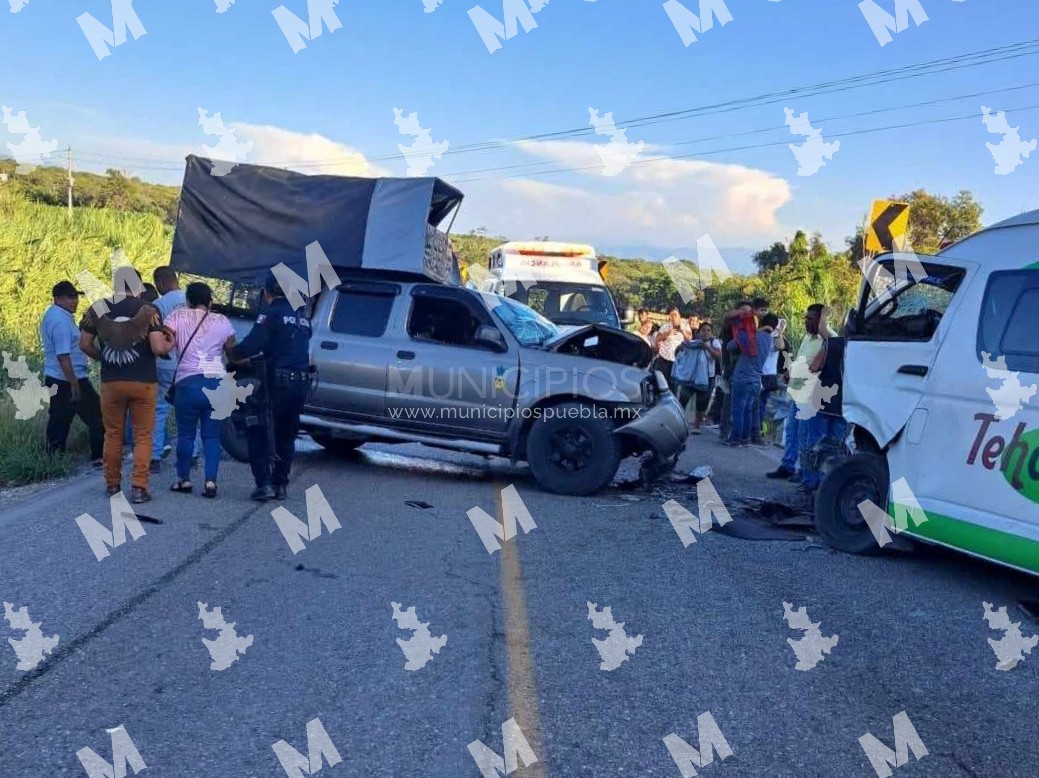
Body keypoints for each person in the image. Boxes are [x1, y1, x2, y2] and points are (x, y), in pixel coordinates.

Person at [79, 267, 173, 503]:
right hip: (144, 382)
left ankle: (112, 485)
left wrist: (104, 357)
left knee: (113, 434)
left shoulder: (98, 307)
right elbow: (157, 348)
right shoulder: (148, 310)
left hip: (112, 381)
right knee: (142, 435)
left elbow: (84, 343)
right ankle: (139, 488)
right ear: (139, 286)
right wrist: (170, 342)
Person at [231, 272, 313, 502]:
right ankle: (280, 485)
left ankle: (264, 485)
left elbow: (251, 345)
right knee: (286, 434)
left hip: (277, 384)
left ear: (267, 293)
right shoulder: (301, 316)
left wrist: (232, 353)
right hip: (300, 384)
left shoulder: (272, 314)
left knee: (258, 428)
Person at [164, 282, 236, 499]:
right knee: (211, 436)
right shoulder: (222, 321)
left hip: (187, 384)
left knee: (186, 435)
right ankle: (211, 482)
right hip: (215, 385)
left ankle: (184, 480)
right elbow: (232, 349)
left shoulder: (177, 317)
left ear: (188, 300)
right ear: (210, 301)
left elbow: (165, 343)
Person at [766, 303, 835, 480]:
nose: (806, 322)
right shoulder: (808, 337)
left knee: (807, 436)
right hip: (797, 392)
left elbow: (819, 367)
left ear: (821, 320)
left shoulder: (830, 339)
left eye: (810, 319)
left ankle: (805, 472)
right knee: (792, 431)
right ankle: (788, 465)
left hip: (811, 395)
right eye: (805, 318)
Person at [40, 281, 103, 462]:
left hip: (61, 377)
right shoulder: (59, 320)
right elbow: (63, 356)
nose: (74, 301)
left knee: (60, 419)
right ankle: (98, 456)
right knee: (96, 416)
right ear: (57, 299)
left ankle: (54, 458)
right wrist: (74, 383)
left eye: (75, 297)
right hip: (69, 378)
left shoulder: (58, 315)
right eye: (69, 297)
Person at [799, 306, 848, 493]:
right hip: (844, 405)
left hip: (823, 400)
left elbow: (814, 367)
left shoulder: (831, 343)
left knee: (814, 443)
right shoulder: (863, 350)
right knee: (835, 447)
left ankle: (809, 481)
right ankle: (826, 485)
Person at [151, 266, 188, 472]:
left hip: (166, 363)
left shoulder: (159, 304)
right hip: (190, 364)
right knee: (189, 411)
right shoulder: (191, 300)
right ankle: (190, 456)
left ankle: (154, 457)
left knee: (160, 410)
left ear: (160, 283)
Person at [724, 306, 773, 447]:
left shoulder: (751, 336)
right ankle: (745, 439)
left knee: (738, 410)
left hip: (742, 378)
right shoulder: (768, 338)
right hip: (756, 380)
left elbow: (730, 346)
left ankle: (735, 439)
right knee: (748, 410)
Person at [676, 322, 721, 434]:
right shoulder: (692, 343)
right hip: (691, 378)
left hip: (707, 378)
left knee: (702, 403)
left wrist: (707, 347)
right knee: (682, 400)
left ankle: (696, 426)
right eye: (703, 330)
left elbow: (718, 356)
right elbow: (677, 353)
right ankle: (677, 423)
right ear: (698, 332)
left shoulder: (714, 342)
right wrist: (681, 347)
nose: (706, 333)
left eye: (708, 330)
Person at [653, 308, 692, 391]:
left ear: (679, 316)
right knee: (661, 382)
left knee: (674, 386)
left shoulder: (685, 326)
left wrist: (682, 331)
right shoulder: (665, 326)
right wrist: (667, 333)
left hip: (678, 361)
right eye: (671, 315)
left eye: (675, 315)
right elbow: (657, 339)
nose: (673, 317)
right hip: (664, 359)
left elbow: (689, 340)